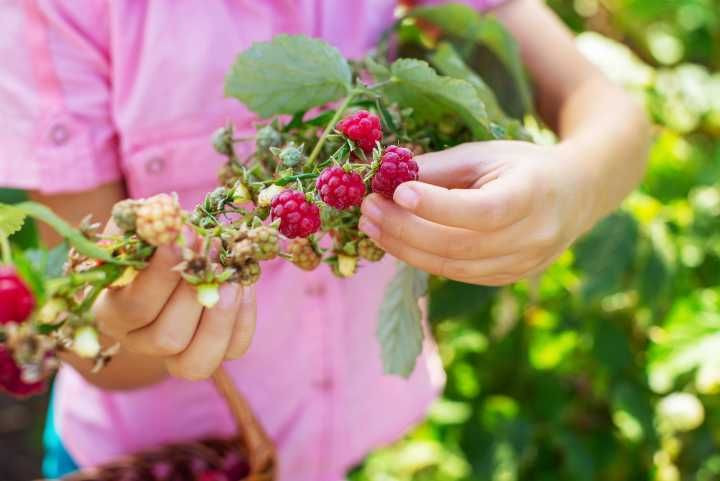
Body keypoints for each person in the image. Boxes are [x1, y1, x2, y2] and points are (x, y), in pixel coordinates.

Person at [0, 0, 650, 480]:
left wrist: (572, 186)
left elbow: (615, 116)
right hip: (158, 459)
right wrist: (126, 323)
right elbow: (100, 340)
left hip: (341, 446)